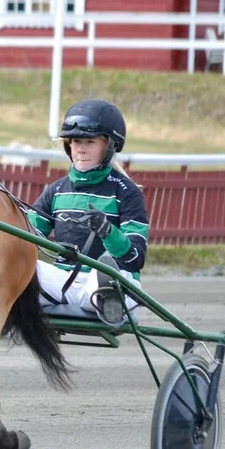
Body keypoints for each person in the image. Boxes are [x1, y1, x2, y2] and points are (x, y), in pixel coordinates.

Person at [26, 99, 149, 325]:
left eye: (90, 141)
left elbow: (135, 258)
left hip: (114, 279)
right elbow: (26, 233)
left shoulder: (127, 193)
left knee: (105, 277)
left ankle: (108, 296)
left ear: (109, 146)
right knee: (21, 269)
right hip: (64, 281)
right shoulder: (56, 190)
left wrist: (107, 231)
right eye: (75, 142)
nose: (80, 148)